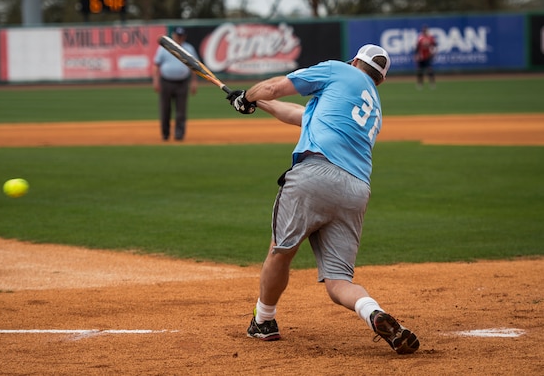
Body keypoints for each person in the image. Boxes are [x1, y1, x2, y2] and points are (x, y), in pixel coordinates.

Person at [225, 44, 420, 355]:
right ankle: (373, 312)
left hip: (315, 174)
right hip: (355, 190)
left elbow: (276, 86)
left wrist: (246, 97)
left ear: (354, 61)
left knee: (281, 251)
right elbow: (300, 114)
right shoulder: (372, 108)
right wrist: (256, 101)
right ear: (379, 79)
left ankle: (263, 321)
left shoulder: (338, 70)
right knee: (339, 282)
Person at [152, 27, 198, 141]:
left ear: (185, 37)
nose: (179, 38)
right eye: (178, 35)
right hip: (166, 81)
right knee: (165, 109)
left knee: (181, 111)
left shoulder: (189, 48)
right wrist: (156, 80)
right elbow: (156, 65)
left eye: (181, 36)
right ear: (173, 35)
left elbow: (195, 67)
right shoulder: (164, 48)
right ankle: (165, 134)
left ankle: (179, 135)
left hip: (182, 82)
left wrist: (194, 81)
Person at [414, 25, 437, 89]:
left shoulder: (430, 38)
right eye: (423, 31)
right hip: (421, 57)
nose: (424, 32)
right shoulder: (420, 38)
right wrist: (416, 55)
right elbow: (417, 47)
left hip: (428, 56)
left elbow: (435, 45)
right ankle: (420, 83)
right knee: (420, 71)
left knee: (430, 70)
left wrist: (434, 52)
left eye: (425, 30)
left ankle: (432, 83)